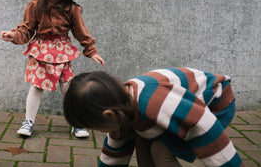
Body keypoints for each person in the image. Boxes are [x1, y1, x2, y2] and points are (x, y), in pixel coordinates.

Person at [1, 0, 105, 138]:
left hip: (62, 52)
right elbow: (26, 30)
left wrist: (92, 50)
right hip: (41, 51)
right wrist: (14, 36)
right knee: (36, 86)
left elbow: (81, 32)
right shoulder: (35, 5)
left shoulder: (72, 9)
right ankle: (29, 122)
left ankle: (77, 123)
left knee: (69, 88)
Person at [63, 68, 243, 167]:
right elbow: (114, 155)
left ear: (107, 115)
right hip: (183, 113)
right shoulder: (120, 106)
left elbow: (203, 126)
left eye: (95, 128)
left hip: (214, 104)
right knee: (141, 140)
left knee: (160, 151)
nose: (100, 132)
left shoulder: (155, 102)